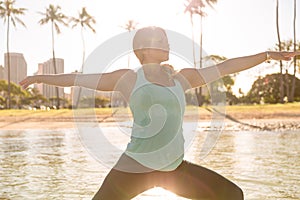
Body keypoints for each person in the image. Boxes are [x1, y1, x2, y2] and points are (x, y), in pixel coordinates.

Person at [20, 26, 299, 200]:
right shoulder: (128, 78)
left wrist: (267, 55)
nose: (167, 43)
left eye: (166, 39)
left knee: (231, 195)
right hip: (133, 168)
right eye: (160, 39)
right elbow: (77, 78)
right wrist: (40, 79)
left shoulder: (182, 78)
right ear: (142, 49)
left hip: (172, 169)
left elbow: (226, 67)